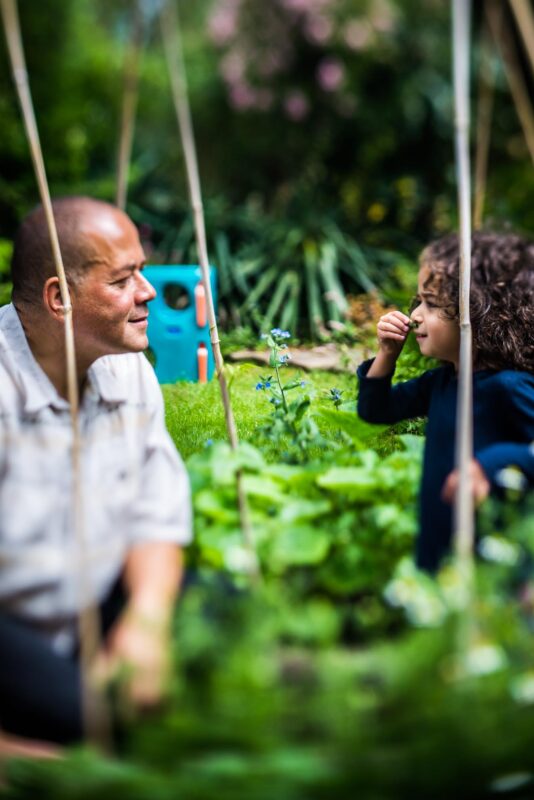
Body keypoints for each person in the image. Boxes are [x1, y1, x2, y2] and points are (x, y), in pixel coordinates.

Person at [0, 197, 192, 753]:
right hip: (11, 628)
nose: (149, 291)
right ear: (59, 298)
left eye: (143, 270)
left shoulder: (128, 368)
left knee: (228, 631)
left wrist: (148, 620)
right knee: (99, 726)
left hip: (95, 593)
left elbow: (156, 508)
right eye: (124, 278)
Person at [357, 231, 534, 573]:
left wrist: (493, 463)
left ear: (485, 311)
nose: (415, 315)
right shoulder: (441, 383)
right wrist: (386, 356)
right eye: (418, 301)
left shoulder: (509, 388)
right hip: (439, 546)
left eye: (432, 304)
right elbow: (375, 411)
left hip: (494, 563)